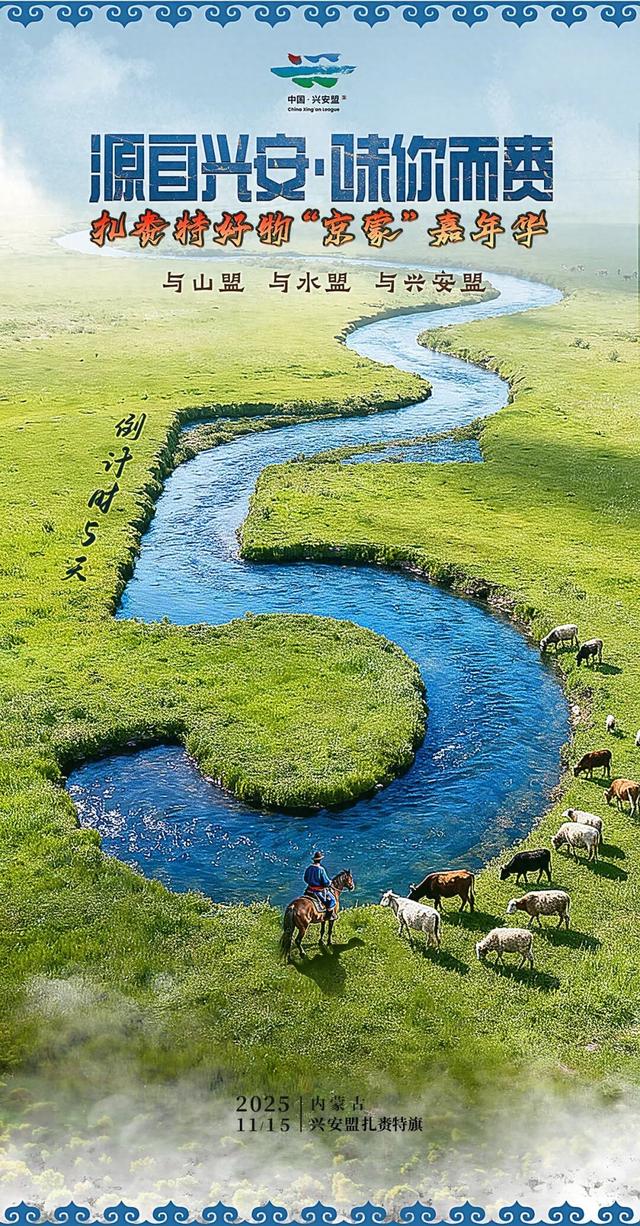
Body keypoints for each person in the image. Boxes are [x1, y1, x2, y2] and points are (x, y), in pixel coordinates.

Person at [303, 850, 336, 918]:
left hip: (309, 889)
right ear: (320, 860)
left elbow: (305, 879)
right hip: (318, 891)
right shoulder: (321, 869)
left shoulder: (309, 868)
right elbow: (325, 882)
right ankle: (328, 916)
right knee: (332, 900)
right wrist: (330, 882)